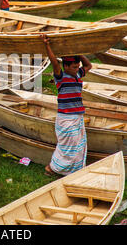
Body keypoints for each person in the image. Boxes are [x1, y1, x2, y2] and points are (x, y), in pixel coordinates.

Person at [41, 34, 92, 177]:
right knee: (67, 146)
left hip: (77, 117)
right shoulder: (61, 77)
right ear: (66, 66)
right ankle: (53, 168)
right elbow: (54, 63)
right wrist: (47, 45)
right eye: (74, 67)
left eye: (77, 67)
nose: (77, 69)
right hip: (66, 119)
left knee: (77, 146)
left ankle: (72, 170)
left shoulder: (78, 75)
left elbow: (89, 65)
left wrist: (77, 52)